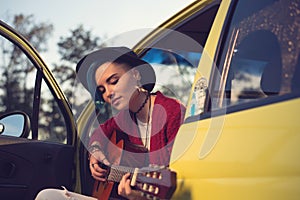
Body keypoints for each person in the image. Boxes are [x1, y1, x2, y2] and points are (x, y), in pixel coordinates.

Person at [35, 46, 185, 200]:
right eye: (102, 90)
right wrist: (96, 153)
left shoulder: (173, 113)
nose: (108, 93)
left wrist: (140, 198)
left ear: (135, 74)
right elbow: (98, 133)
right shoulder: (125, 118)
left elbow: (182, 183)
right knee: (48, 195)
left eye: (114, 81)